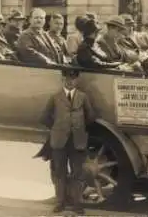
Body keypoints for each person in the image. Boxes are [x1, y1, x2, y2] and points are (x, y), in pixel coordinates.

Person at [37, 68, 96, 214]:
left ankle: (77, 204)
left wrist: (80, 128)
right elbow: (44, 117)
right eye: (66, 79)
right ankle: (60, 203)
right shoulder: (55, 97)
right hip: (59, 141)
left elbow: (91, 117)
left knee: (78, 173)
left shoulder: (83, 97)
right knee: (60, 173)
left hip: (77, 142)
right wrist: (57, 127)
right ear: (62, 80)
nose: (69, 82)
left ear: (77, 80)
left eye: (73, 79)